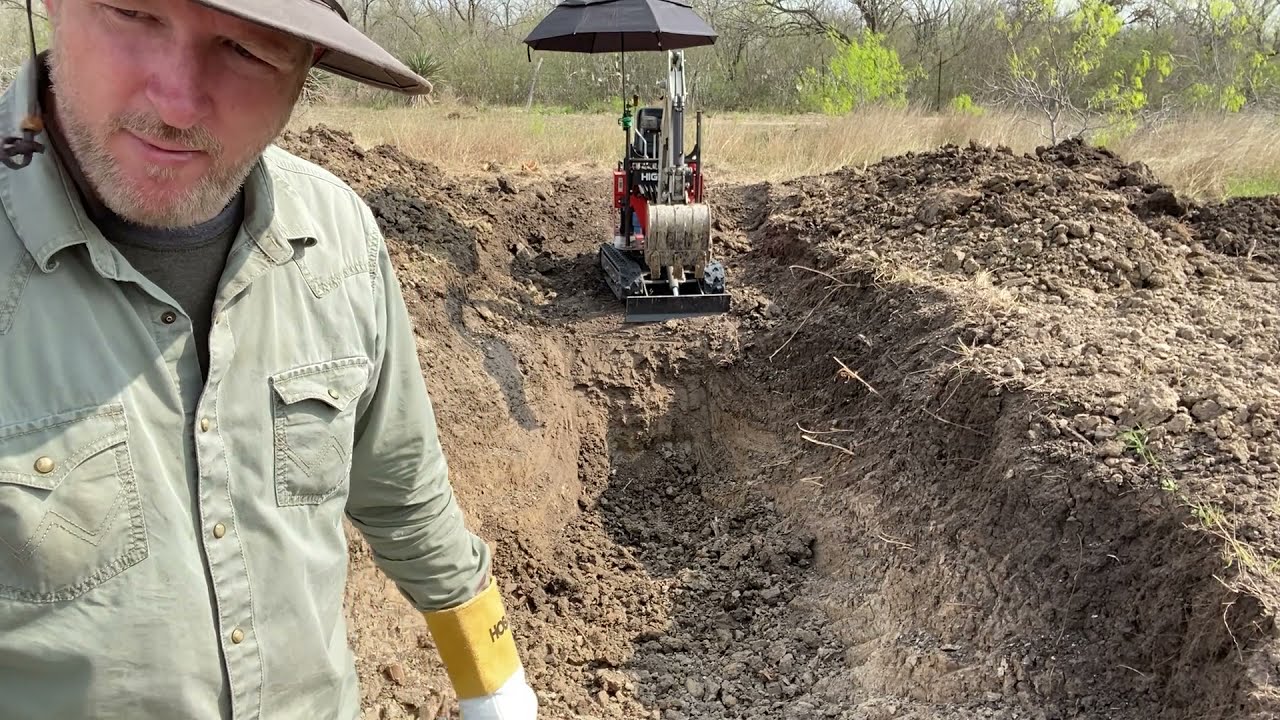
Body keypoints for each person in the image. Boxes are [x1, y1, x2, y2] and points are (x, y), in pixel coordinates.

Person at [0, 1, 538, 719]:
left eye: (245, 50)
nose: (177, 102)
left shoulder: (337, 238)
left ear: (306, 67)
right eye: (132, 13)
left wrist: (493, 682)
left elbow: (404, 493)